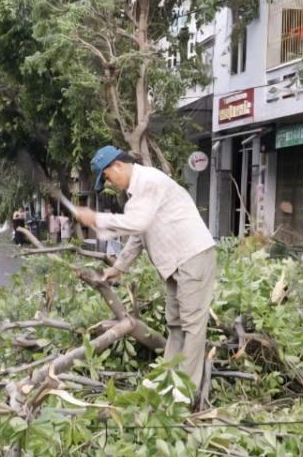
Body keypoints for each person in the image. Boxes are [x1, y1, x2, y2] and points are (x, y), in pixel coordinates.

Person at [73, 145, 216, 393]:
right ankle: (168, 377)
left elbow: (134, 223)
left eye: (107, 177)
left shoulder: (148, 181)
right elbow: (140, 233)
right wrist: (117, 268)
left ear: (116, 166)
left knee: (192, 325)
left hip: (193, 256)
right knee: (175, 323)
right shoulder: (137, 193)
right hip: (174, 263)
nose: (110, 183)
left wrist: (96, 219)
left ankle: (185, 391)